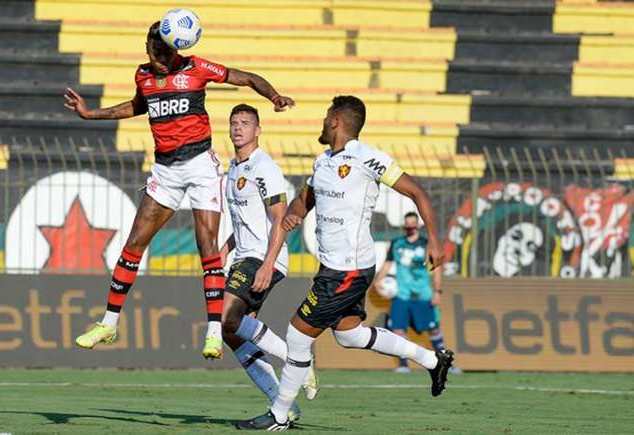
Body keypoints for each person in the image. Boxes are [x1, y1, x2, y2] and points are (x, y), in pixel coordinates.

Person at [64, 21, 295, 359]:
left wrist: (272, 94)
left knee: (207, 249)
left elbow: (245, 77)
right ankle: (109, 323)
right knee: (133, 245)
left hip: (200, 165)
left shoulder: (197, 67)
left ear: (175, 48)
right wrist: (90, 114)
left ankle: (214, 331)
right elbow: (138, 106)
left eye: (163, 51)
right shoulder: (143, 75)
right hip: (165, 169)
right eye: (152, 49)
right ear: (146, 46)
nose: (157, 56)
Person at [237, 96, 454, 430]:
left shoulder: (368, 158)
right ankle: (432, 359)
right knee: (349, 336)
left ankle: (279, 415)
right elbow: (303, 200)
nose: (323, 121)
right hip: (334, 267)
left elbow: (418, 193)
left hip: (348, 269)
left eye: (326, 116)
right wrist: (294, 214)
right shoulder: (323, 162)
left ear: (336, 120)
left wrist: (436, 241)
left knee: (297, 336)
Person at [218, 104, 318, 422]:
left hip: (261, 258)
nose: (238, 128)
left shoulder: (265, 167)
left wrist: (267, 263)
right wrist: (225, 249)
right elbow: (246, 221)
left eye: (246, 123)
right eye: (234, 122)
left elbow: (279, 218)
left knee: (225, 318)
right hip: (243, 256)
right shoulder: (234, 167)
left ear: (258, 130)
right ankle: (282, 405)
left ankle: (299, 360)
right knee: (233, 334)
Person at [372, 212, 457, 373]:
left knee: (433, 329)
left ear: (418, 225)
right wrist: (377, 281)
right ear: (404, 226)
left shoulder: (427, 244)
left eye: (413, 224)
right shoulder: (397, 244)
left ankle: (446, 364)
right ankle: (403, 365)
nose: (410, 228)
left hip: (423, 295)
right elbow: (388, 264)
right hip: (402, 295)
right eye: (407, 225)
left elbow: (437, 270)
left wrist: (437, 291)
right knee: (397, 330)